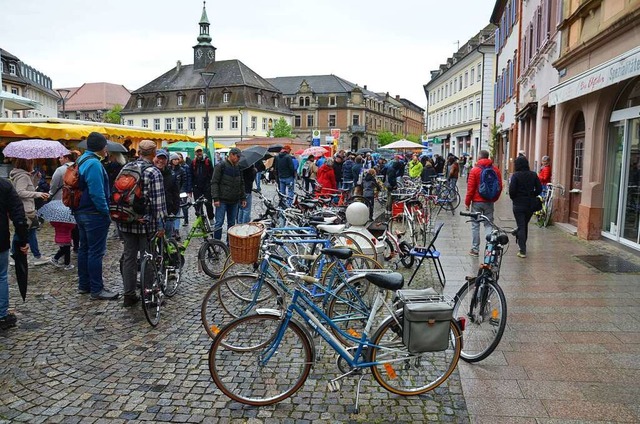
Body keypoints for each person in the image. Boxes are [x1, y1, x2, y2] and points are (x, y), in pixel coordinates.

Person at [117, 140, 167, 307]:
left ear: (138, 152)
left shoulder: (126, 168)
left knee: (129, 258)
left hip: (126, 220)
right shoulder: (153, 172)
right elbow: (159, 203)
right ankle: (149, 295)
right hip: (147, 223)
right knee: (149, 257)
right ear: (153, 153)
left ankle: (129, 295)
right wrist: (161, 225)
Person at [75, 132, 119, 300]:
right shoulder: (93, 163)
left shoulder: (81, 160)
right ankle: (96, 289)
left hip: (80, 211)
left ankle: (84, 285)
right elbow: (97, 193)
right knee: (95, 252)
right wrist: (105, 212)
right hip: (93, 213)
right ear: (102, 147)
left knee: (84, 249)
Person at [9, 159, 50, 266]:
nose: (33, 165)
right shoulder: (23, 176)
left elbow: (30, 188)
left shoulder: (24, 175)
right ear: (27, 164)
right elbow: (20, 192)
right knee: (20, 233)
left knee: (31, 232)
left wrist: (36, 179)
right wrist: (38, 194)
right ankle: (15, 255)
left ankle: (36, 255)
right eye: (32, 163)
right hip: (25, 210)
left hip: (28, 209)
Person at [0, 178, 29, 330]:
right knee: (1, 276)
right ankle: (1, 315)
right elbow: (18, 215)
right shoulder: (4, 185)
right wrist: (23, 240)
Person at [464, 149, 503, 257]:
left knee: (475, 225)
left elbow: (470, 189)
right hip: (489, 201)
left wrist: (467, 202)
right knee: (488, 225)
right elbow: (500, 187)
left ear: (479, 157)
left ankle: (475, 249)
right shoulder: (495, 170)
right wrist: (494, 199)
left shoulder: (474, 170)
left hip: (476, 202)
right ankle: (489, 249)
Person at [509, 156, 542, 259]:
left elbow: (512, 191)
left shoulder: (516, 176)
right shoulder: (533, 175)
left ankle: (522, 250)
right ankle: (521, 244)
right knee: (524, 225)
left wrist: (514, 198)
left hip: (518, 204)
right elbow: (539, 189)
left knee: (521, 226)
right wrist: (532, 194)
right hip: (530, 204)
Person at [211, 147, 246, 240]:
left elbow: (241, 183)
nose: (238, 159)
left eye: (239, 157)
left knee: (231, 224)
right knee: (219, 222)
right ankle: (216, 243)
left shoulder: (238, 167)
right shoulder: (220, 166)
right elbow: (214, 182)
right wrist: (216, 198)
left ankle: (229, 243)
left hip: (234, 200)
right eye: (237, 156)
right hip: (222, 200)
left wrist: (243, 198)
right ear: (231, 155)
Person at [49, 151, 80, 250]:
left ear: (67, 158)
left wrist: (50, 193)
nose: (59, 159)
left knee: (64, 223)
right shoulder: (79, 167)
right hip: (76, 199)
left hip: (62, 199)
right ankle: (76, 245)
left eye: (61, 157)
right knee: (74, 223)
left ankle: (64, 246)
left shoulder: (60, 170)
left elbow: (53, 185)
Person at [154, 150, 180, 239]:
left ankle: (165, 252)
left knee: (167, 239)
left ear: (167, 160)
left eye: (163, 159)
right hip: (153, 213)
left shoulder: (171, 175)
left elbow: (176, 194)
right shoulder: (150, 173)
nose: (161, 161)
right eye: (159, 158)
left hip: (168, 212)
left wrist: (174, 211)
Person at [192, 147, 214, 220]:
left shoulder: (208, 161)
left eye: (200, 151)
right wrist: (193, 186)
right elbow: (191, 174)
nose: (199, 153)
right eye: (197, 152)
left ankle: (211, 219)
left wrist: (210, 184)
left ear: (202, 152)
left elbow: (212, 173)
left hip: (207, 187)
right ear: (195, 153)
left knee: (208, 204)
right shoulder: (193, 162)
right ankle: (200, 220)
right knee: (198, 205)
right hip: (197, 187)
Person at [178, 153, 193, 227]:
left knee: (184, 205)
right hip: (177, 190)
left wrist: (189, 190)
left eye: (180, 157)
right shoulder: (173, 167)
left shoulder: (186, 166)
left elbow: (189, 179)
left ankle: (186, 219)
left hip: (183, 189)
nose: (178, 159)